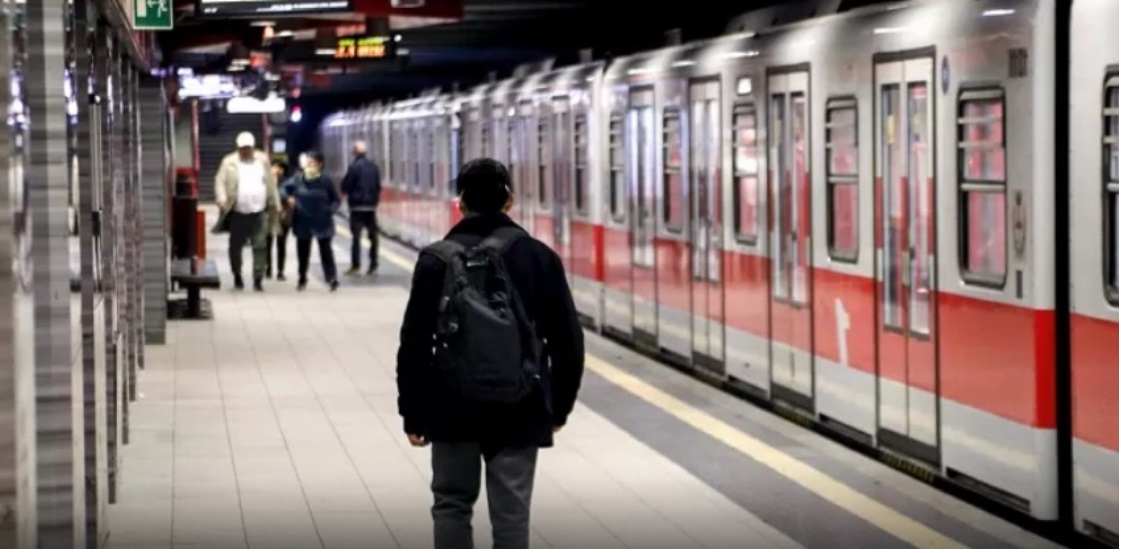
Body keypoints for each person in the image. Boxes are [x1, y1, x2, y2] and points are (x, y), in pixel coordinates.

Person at [395, 158, 585, 549]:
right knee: (512, 514)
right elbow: (568, 341)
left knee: (451, 504)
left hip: (451, 404)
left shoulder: (435, 260)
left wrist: (413, 412)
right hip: (520, 403)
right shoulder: (538, 257)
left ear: (460, 202)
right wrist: (558, 407)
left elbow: (414, 345)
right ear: (509, 201)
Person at [214, 131, 279, 291]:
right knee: (235, 247)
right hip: (237, 212)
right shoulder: (229, 162)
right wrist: (221, 198)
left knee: (260, 245)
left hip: (260, 211)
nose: (245, 151)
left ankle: (258, 278)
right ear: (237, 147)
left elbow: (270, 182)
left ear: (253, 147)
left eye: (248, 148)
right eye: (242, 148)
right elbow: (219, 181)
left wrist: (276, 204)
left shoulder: (262, 160)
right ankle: (237, 275)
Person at [280, 150, 340, 292]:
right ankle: (302, 278)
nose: (309, 166)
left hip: (322, 222)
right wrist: (288, 198)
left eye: (312, 163)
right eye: (307, 163)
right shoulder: (298, 179)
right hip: (303, 221)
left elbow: (336, 200)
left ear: (320, 164)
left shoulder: (326, 180)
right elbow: (282, 189)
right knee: (303, 252)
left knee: (326, 251)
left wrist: (329, 211)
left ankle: (331, 278)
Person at [339, 140, 382, 276]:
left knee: (356, 237)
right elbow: (378, 185)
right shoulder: (374, 166)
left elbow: (345, 186)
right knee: (373, 236)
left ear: (355, 152)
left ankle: (356, 265)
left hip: (357, 207)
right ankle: (373, 264)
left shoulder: (354, 167)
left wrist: (350, 193)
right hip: (371, 207)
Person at [266, 160, 292, 281]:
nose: (274, 169)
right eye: (273, 167)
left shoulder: (287, 182)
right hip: (269, 216)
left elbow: (283, 195)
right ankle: (268, 269)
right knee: (267, 243)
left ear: (282, 170)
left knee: (281, 244)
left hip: (283, 217)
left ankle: (280, 271)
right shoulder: (265, 181)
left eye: (276, 167)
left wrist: (275, 183)